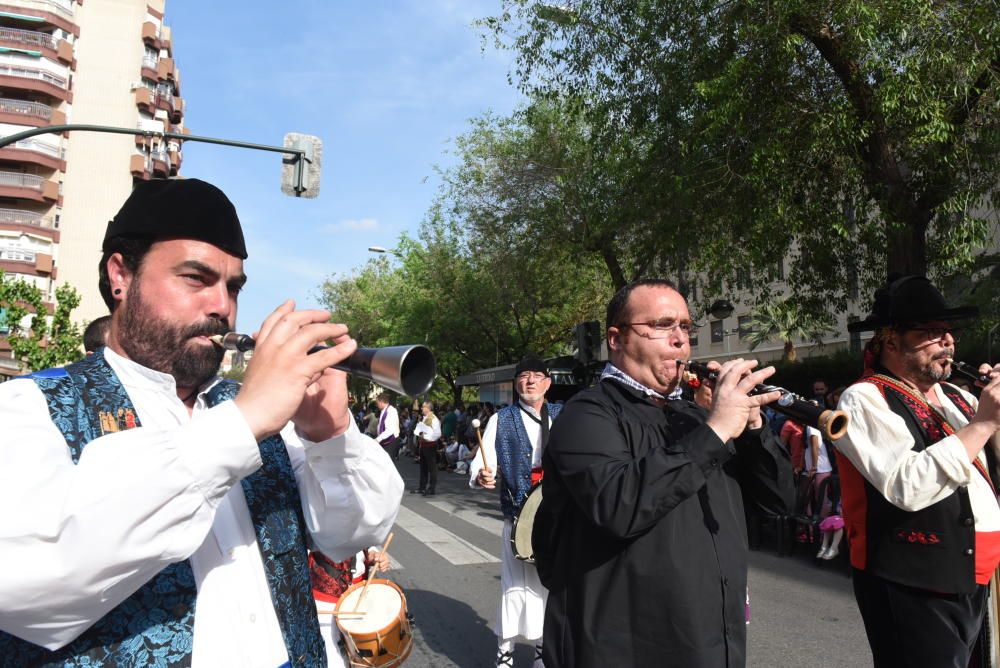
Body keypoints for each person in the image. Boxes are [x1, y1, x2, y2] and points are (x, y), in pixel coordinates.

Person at [0, 178, 404, 666]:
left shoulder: (250, 410)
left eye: (232, 287)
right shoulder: (28, 406)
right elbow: (28, 579)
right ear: (120, 275)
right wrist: (245, 421)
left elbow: (351, 535)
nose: (222, 307)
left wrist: (329, 436)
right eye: (196, 278)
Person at [532, 278, 794, 668]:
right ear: (616, 339)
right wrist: (718, 428)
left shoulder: (695, 418)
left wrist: (754, 429)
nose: (680, 340)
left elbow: (778, 503)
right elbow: (619, 505)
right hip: (625, 649)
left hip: (711, 642)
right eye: (661, 325)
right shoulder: (586, 414)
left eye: (686, 327)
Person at [835, 275, 1000, 668]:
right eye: (930, 332)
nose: (948, 341)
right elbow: (905, 485)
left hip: (979, 573)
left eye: (948, 330)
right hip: (915, 580)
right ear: (892, 341)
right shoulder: (863, 398)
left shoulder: (958, 395)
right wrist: (982, 424)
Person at [470, 355, 562, 668]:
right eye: (524, 376)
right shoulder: (502, 418)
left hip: (554, 516)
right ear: (516, 382)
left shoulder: (562, 416)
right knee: (513, 585)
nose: (530, 381)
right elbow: (486, 459)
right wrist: (483, 473)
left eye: (537, 375)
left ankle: (540, 649)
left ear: (548, 382)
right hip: (518, 515)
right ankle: (505, 651)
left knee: (549, 587)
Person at [412, 400, 441, 495]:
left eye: (423, 407)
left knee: (432, 468)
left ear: (428, 408)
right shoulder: (425, 418)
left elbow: (437, 433)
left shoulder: (434, 419)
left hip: (430, 446)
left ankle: (431, 488)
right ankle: (422, 487)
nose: (421, 408)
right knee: (423, 467)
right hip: (423, 445)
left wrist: (427, 438)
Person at [373, 391, 400, 459]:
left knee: (388, 463)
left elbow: (390, 430)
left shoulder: (391, 411)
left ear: (381, 401)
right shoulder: (384, 410)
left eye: (377, 402)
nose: (377, 404)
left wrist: (378, 439)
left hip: (390, 441)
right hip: (386, 440)